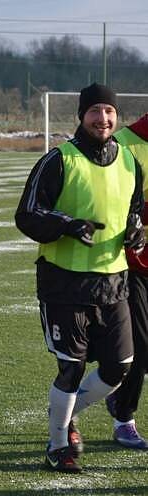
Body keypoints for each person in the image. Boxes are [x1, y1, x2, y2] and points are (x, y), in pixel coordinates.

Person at [15, 83, 144, 473]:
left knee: (119, 366)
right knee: (70, 367)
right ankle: (58, 446)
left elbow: (134, 212)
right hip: (64, 282)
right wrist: (66, 225)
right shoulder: (59, 159)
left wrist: (136, 230)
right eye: (94, 111)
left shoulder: (128, 162)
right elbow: (28, 214)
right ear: (81, 115)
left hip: (114, 280)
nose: (102, 119)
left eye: (108, 111)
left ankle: (68, 415)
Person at [106, 113, 148, 449]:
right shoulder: (125, 142)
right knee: (140, 345)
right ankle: (124, 417)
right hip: (134, 262)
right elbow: (114, 200)